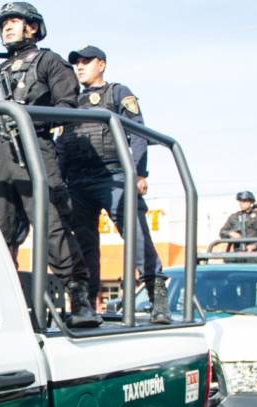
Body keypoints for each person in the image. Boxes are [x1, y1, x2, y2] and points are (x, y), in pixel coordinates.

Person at [0, 2, 101, 328]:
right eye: (3, 24)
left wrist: (24, 113)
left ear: (33, 27)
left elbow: (68, 106)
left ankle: (79, 297)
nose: (7, 28)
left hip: (33, 147)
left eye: (14, 21)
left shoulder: (48, 61)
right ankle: (3, 305)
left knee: (51, 224)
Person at [55, 45, 171, 324]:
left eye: (86, 61)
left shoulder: (118, 92)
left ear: (102, 64)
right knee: (83, 244)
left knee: (136, 232)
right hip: (78, 180)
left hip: (113, 175)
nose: (80, 67)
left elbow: (139, 134)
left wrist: (139, 173)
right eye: (77, 63)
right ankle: (86, 305)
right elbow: (60, 143)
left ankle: (157, 296)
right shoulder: (68, 100)